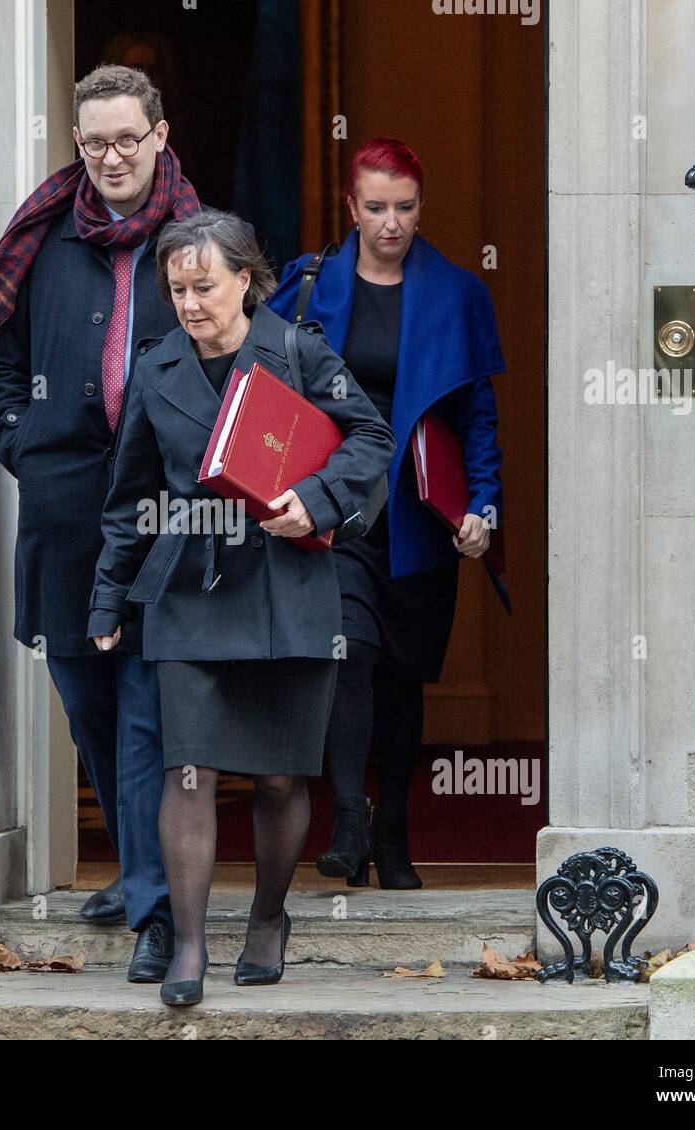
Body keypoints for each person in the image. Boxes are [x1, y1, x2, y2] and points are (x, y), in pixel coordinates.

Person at [88, 209, 395, 1005]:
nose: (190, 303)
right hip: (193, 589)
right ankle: (190, 947)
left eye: (205, 286)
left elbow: (371, 437)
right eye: (177, 288)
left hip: (291, 586)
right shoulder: (157, 371)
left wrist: (318, 500)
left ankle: (267, 918)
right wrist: (108, 600)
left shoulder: (299, 350)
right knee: (186, 768)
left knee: (280, 781)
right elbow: (130, 501)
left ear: (247, 281)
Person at [0, 65, 200, 982]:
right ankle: (143, 869)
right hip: (64, 514)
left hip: (162, 516)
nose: (109, 157)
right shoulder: (44, 240)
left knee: (144, 708)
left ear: (160, 136)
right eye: (93, 141)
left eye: (126, 140)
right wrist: (22, 444)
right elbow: (4, 367)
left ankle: (153, 911)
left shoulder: (195, 240)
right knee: (88, 705)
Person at [267, 137, 506, 890]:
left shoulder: (459, 292)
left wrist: (485, 508)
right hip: (336, 508)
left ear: (420, 206)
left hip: (420, 511)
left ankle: (394, 837)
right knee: (350, 653)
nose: (391, 222)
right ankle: (349, 818)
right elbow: (258, 386)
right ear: (351, 206)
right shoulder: (308, 286)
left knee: (403, 678)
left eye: (404, 207)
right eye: (376, 207)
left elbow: (477, 416)